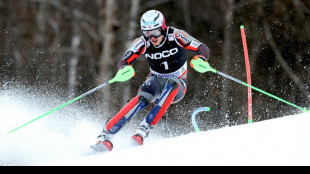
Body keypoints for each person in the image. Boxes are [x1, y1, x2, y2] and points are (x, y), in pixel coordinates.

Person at [91, 10, 210, 152]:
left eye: (155, 32)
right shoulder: (142, 42)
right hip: (156, 80)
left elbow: (202, 48)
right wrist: (123, 69)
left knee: (172, 82)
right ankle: (106, 136)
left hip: (178, 84)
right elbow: (125, 60)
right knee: (143, 98)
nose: (152, 37)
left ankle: (142, 131)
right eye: (147, 33)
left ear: (163, 28)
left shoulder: (176, 35)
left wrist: (201, 59)